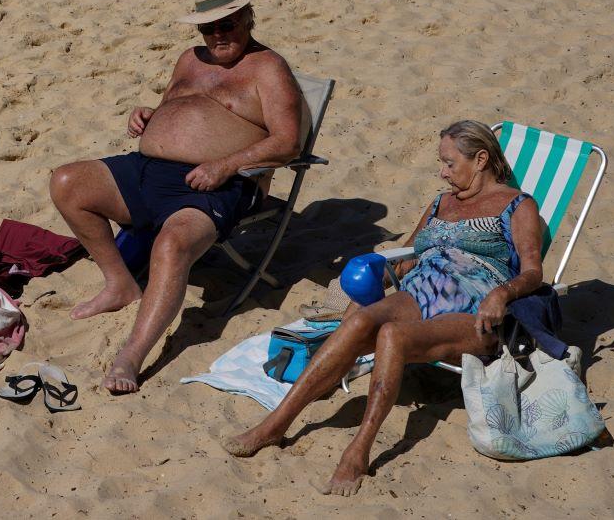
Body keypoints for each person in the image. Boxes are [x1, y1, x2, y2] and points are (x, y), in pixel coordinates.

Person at [221, 120, 544, 496]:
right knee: (360, 321)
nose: (442, 172)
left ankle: (358, 451)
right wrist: (371, 276)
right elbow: (404, 257)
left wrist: (503, 294)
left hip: (474, 308)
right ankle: (275, 425)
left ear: (482, 159)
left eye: (450, 163)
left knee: (392, 335)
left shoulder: (517, 205)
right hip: (420, 290)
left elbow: (534, 270)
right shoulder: (442, 202)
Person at [49, 0, 309, 394]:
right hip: (147, 169)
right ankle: (120, 284)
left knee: (170, 246)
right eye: (209, 28)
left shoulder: (268, 68)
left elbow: (287, 143)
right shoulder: (190, 59)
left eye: (227, 24)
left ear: (248, 18)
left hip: (214, 184)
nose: (218, 35)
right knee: (67, 182)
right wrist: (148, 114)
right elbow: (177, 106)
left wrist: (225, 166)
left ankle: (131, 355)